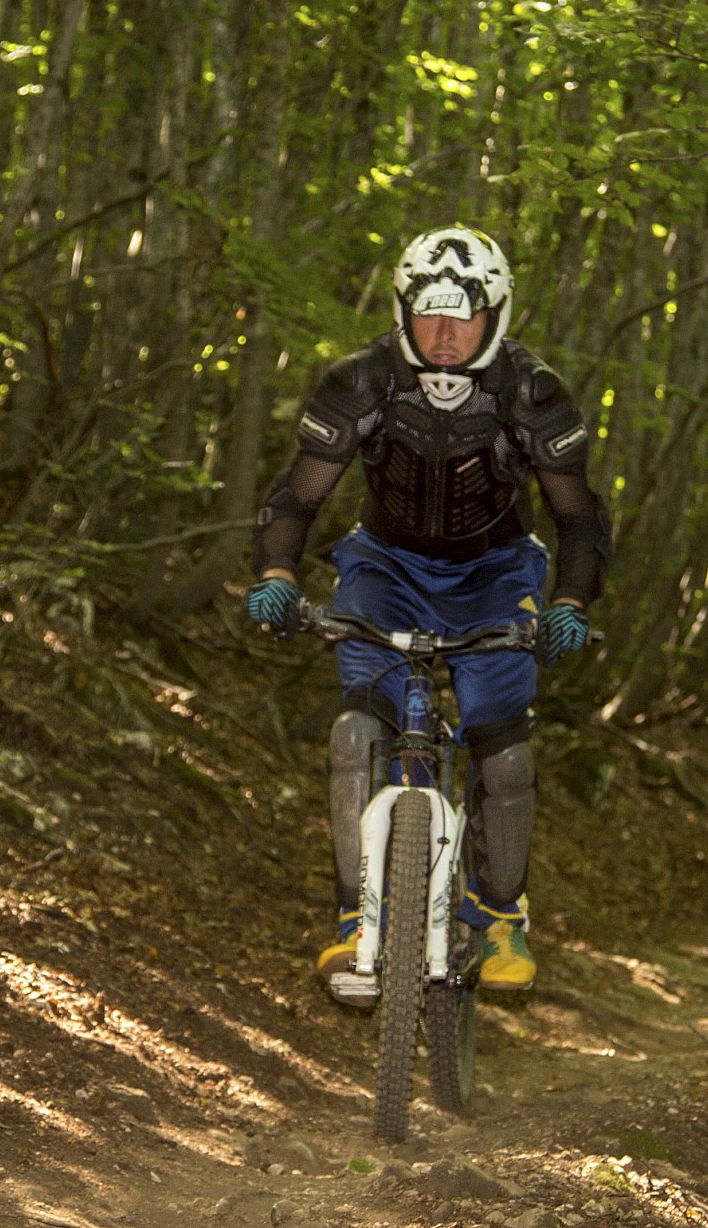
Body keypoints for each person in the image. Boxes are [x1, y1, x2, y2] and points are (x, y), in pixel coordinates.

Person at [242, 226, 609, 1004]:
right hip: (386, 565)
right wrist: (276, 572)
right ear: (403, 311)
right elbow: (296, 498)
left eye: (464, 319)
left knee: (502, 741)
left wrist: (570, 604)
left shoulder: (533, 395)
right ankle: (355, 920)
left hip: (496, 569)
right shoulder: (360, 382)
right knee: (355, 731)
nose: (445, 338)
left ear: (497, 315)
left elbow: (579, 519)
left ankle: (501, 916)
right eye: (430, 316)